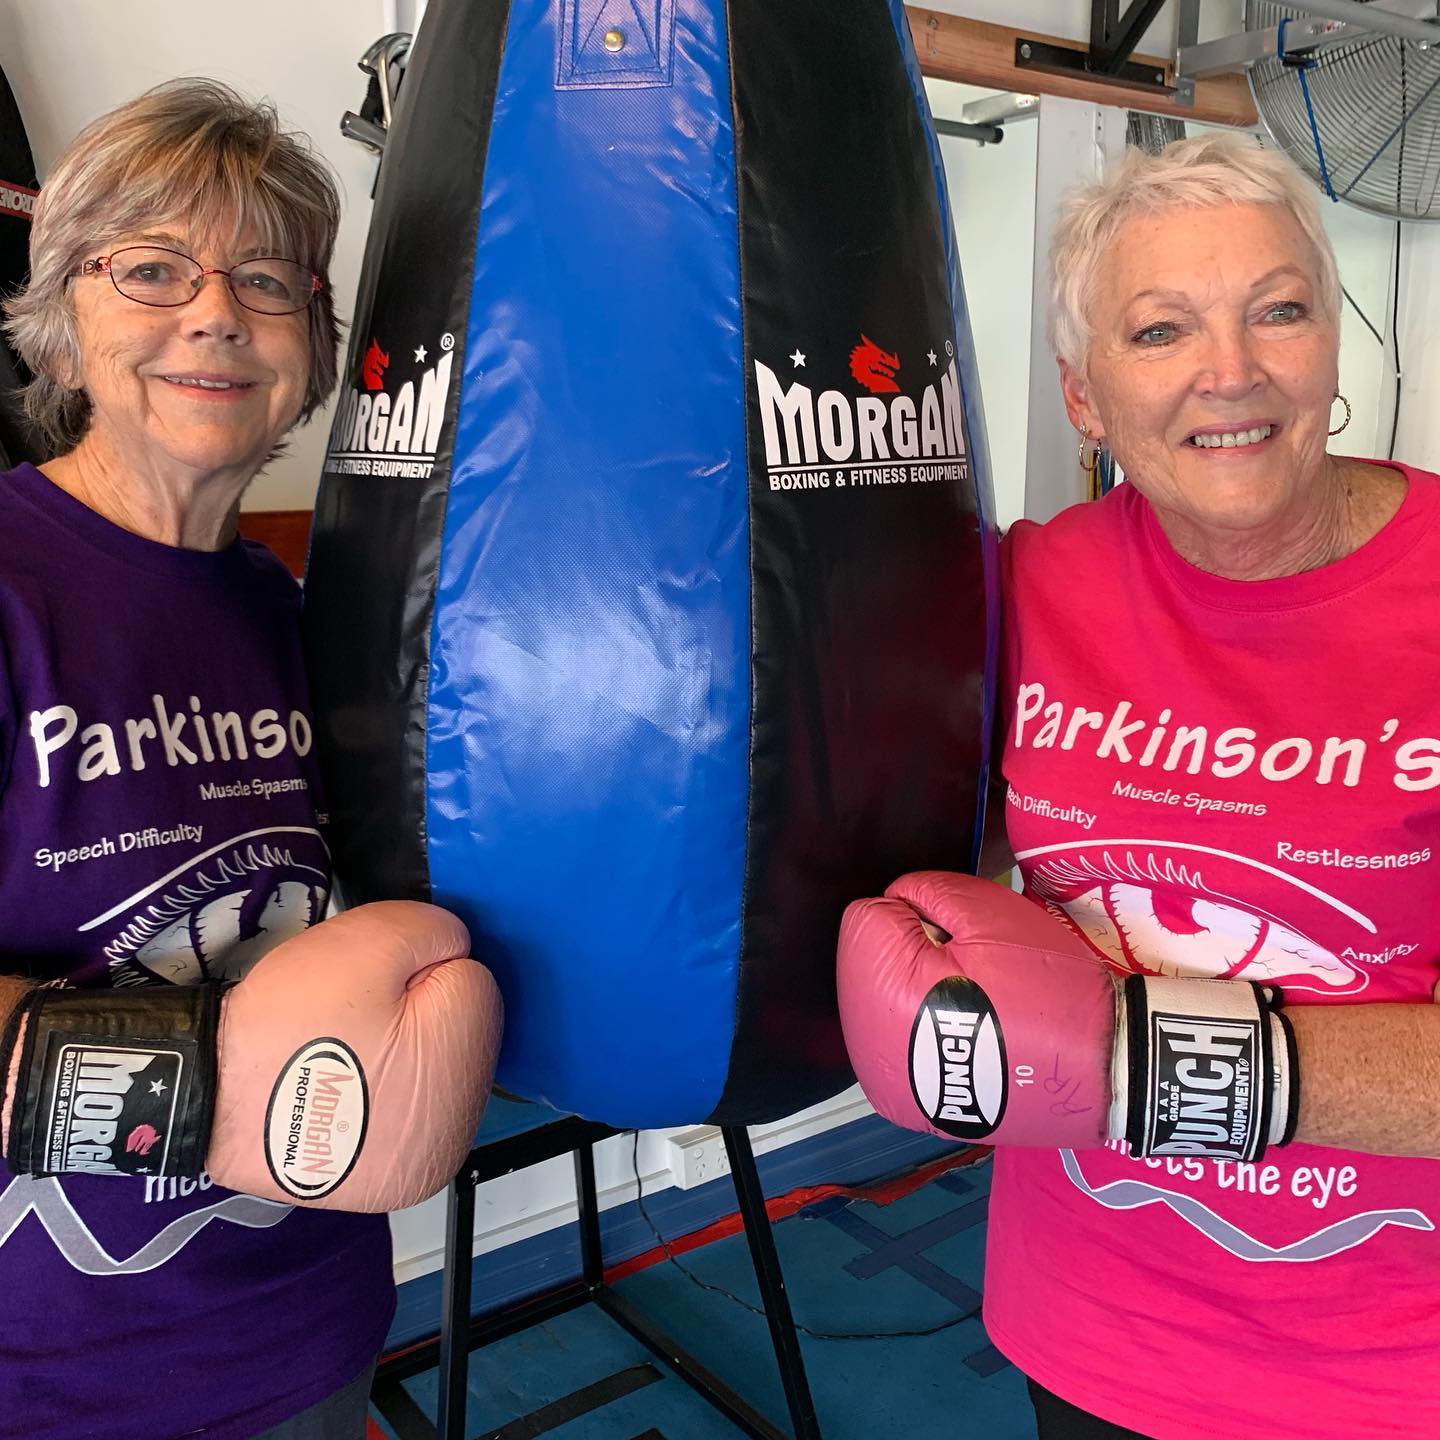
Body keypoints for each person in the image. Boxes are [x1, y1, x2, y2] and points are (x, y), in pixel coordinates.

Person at [839, 132, 1440, 1439]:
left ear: (1334, 347)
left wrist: (1132, 1060)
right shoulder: (1022, 585)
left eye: (1279, 311)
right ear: (1084, 399)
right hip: (1098, 1320)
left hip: (1395, 1365)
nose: (1232, 372)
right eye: (1161, 331)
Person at [0, 80, 500, 1439]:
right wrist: (207, 1089)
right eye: (151, 268)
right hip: (46, 1376)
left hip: (305, 1329)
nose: (215, 312)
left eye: (269, 282)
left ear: (316, 351)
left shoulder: (310, 621)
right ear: (60, 324)